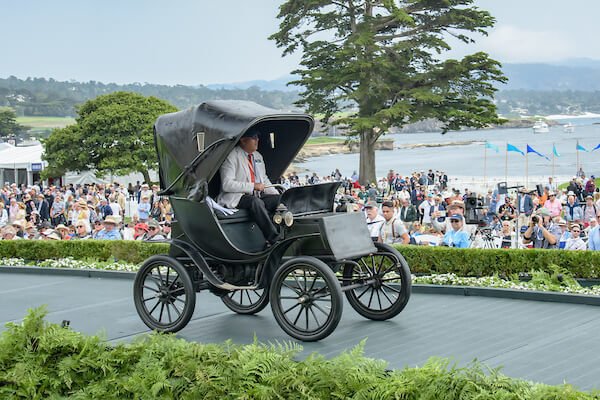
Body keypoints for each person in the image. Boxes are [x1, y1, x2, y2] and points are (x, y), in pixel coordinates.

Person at [217, 128, 280, 245]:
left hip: (257, 194)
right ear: (243, 140)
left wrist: (276, 193)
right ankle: (273, 238)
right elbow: (227, 184)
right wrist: (252, 186)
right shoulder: (232, 156)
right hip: (237, 196)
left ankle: (284, 231)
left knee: (279, 201)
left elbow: (264, 179)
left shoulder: (257, 156)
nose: (257, 141)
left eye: (257, 138)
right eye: (253, 138)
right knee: (255, 203)